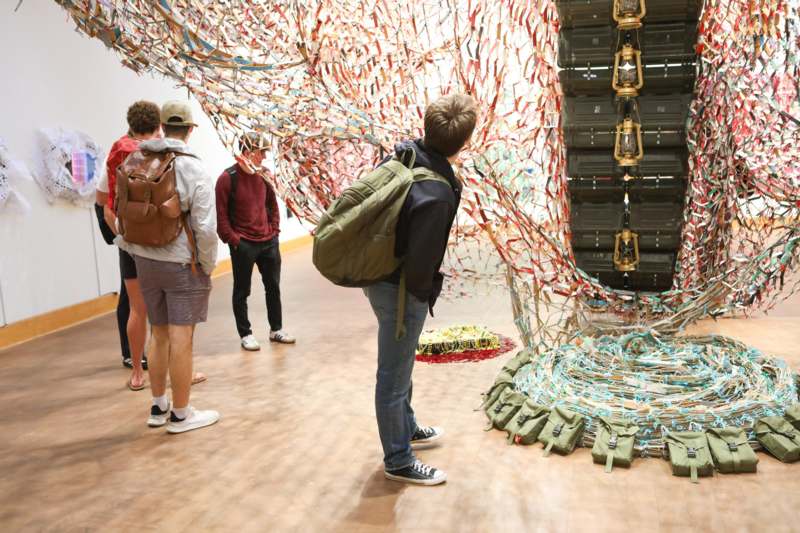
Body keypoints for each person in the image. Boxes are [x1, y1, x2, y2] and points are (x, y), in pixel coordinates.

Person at [364, 94, 478, 485]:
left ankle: (406, 426)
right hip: (398, 290)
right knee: (393, 376)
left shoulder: (405, 155)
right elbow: (420, 267)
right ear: (464, 143)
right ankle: (398, 459)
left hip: (379, 275)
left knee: (402, 360)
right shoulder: (438, 194)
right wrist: (422, 295)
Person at [116, 100, 219, 433]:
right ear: (189, 130)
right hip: (180, 262)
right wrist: (206, 263)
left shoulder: (137, 158)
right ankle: (181, 414)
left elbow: (121, 209)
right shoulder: (193, 168)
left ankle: (158, 407)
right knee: (182, 337)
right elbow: (204, 226)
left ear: (161, 126)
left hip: (145, 259)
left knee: (157, 333)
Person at [99, 101, 163, 391]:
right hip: (157, 240)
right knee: (167, 308)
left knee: (137, 309)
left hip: (128, 238)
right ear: (157, 125)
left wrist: (120, 235)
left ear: (131, 124)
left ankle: (137, 373)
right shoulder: (160, 152)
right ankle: (177, 368)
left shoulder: (116, 152)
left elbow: (103, 203)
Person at [215, 132, 295, 350]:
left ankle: (276, 329)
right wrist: (234, 240)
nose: (264, 156)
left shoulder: (264, 175)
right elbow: (221, 217)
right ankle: (246, 333)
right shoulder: (227, 178)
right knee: (242, 290)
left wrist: (275, 231)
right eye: (261, 152)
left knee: (273, 286)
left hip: (268, 241)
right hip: (244, 244)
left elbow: (272, 206)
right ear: (248, 152)